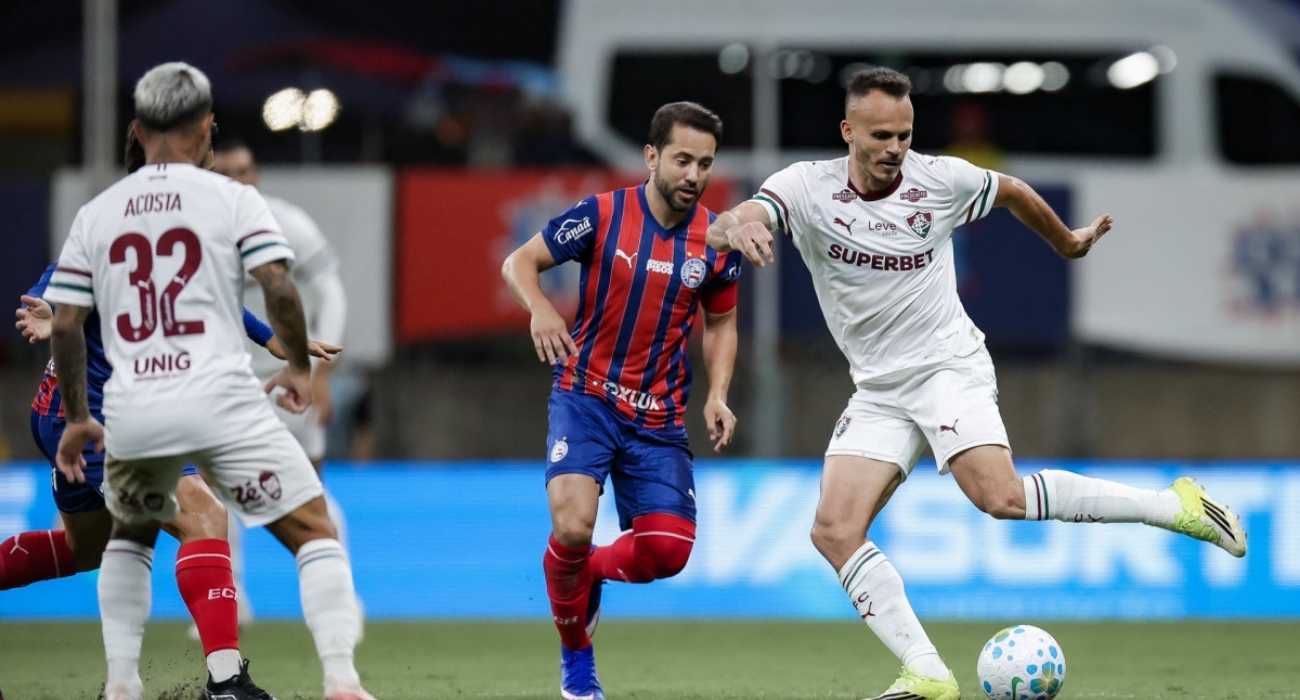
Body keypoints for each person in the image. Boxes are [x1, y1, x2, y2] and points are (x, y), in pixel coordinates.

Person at [707, 67, 1247, 700]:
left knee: (1000, 497)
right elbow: (735, 218)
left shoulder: (941, 180)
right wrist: (737, 226)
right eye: (880, 135)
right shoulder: (803, 188)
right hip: (879, 389)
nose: (894, 149)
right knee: (833, 530)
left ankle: (1176, 508)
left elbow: (1013, 190)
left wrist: (1067, 243)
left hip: (946, 367)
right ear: (848, 131)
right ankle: (928, 674)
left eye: (904, 135)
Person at [41, 62, 373, 700]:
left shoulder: (98, 212)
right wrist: (300, 366)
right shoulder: (233, 197)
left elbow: (65, 325)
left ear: (137, 131)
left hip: (134, 408)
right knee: (312, 531)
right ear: (206, 127)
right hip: (222, 399)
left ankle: (121, 685)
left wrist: (80, 415)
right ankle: (341, 681)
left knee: (131, 538)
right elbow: (279, 284)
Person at [501, 101, 743, 700]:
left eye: (704, 164)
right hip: (585, 397)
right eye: (682, 159)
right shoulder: (602, 215)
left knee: (668, 552)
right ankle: (577, 662)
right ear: (652, 156)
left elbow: (722, 324)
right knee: (573, 522)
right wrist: (539, 307)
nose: (692, 174)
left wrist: (718, 394)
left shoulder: (716, 241)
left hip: (658, 418)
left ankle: (585, 574)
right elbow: (520, 261)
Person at [212, 137, 351, 627]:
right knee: (216, 494)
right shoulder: (201, 234)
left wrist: (322, 373)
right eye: (227, 172)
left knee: (313, 487)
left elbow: (330, 293)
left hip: (288, 377)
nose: (238, 180)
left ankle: (339, 600)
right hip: (225, 382)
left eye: (245, 171)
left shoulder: (286, 223)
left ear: (258, 175)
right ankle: (231, 599)